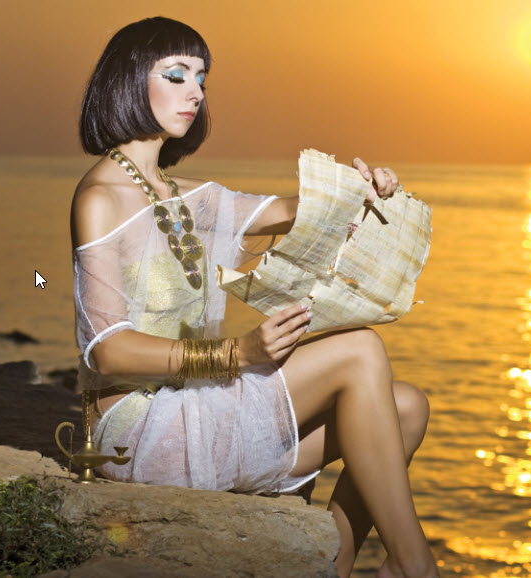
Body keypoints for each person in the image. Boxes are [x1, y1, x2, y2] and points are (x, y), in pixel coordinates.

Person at [71, 16, 438, 578]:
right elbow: (108, 351)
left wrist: (362, 191)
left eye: (201, 78)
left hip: (199, 402)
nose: (195, 92)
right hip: (139, 429)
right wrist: (238, 354)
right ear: (127, 79)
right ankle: (416, 567)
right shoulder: (100, 197)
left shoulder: (188, 196)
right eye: (176, 75)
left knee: (408, 406)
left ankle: (335, 565)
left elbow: (297, 211)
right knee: (359, 348)